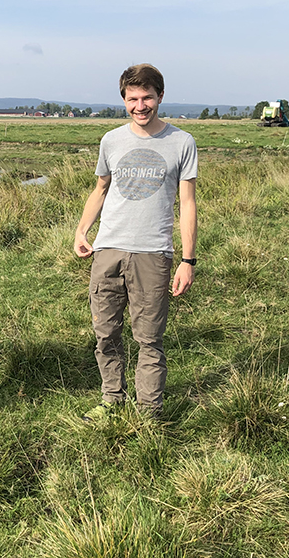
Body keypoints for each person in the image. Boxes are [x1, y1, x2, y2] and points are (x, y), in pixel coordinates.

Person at [73, 64, 197, 419]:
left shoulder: (181, 142)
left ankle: (149, 413)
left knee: (148, 339)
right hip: (108, 251)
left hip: (153, 254)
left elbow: (188, 204)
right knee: (105, 334)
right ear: (124, 100)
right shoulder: (111, 140)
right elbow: (100, 189)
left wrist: (188, 261)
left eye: (147, 98)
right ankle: (112, 400)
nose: (140, 106)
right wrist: (82, 231)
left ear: (160, 97)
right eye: (132, 99)